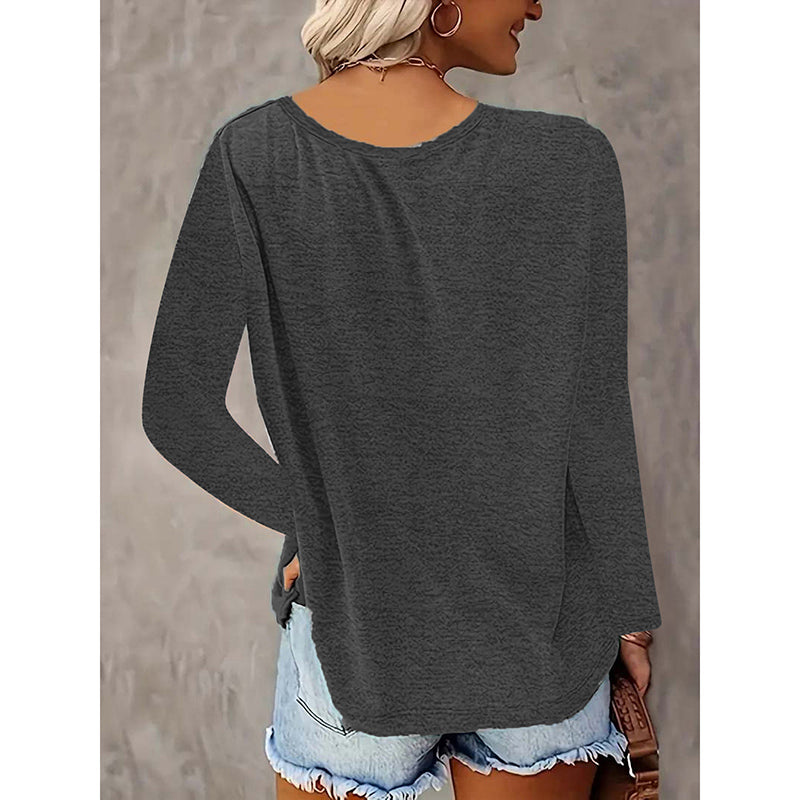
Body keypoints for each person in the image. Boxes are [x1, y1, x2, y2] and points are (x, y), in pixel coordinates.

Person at [141, 1, 663, 798]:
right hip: (540, 642)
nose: (536, 4)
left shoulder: (256, 155)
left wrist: (322, 524)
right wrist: (630, 617)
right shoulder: (569, 162)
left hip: (357, 635)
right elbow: (593, 418)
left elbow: (177, 409)